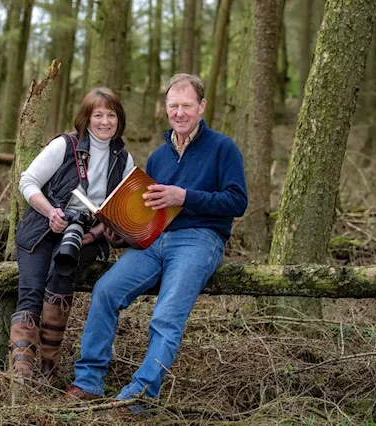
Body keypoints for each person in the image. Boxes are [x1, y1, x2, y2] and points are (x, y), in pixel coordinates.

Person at [64, 74, 248, 409]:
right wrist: (120, 231)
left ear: (202, 107)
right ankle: (88, 380)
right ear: (165, 108)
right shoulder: (159, 157)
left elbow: (237, 201)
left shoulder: (223, 148)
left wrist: (185, 196)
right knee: (105, 291)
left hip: (200, 240)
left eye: (187, 105)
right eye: (173, 105)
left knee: (166, 315)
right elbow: (149, 216)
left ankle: (139, 397)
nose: (179, 112)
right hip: (156, 243)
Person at [10, 87, 134, 384]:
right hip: (43, 228)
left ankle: (48, 369)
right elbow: (27, 181)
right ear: (86, 118)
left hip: (87, 236)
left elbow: (122, 211)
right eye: (98, 115)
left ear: (120, 119)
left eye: (111, 115)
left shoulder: (124, 160)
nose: (105, 122)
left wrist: (97, 232)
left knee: (60, 278)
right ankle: (21, 377)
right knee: (30, 292)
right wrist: (51, 212)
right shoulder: (65, 146)